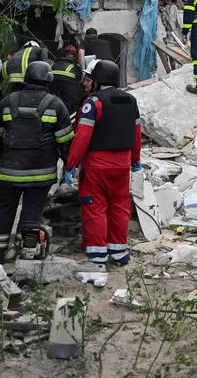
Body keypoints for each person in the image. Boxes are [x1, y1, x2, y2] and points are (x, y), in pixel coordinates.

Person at [0, 60, 73, 262]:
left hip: (9, 173)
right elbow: (66, 141)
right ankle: (28, 254)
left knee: (2, 212)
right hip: (41, 174)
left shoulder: (8, 101)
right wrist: (69, 166)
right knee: (32, 215)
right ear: (49, 80)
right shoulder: (55, 104)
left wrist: (1, 153)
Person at [65, 60, 141, 266]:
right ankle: (119, 253)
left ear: (97, 80)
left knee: (95, 207)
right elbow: (136, 134)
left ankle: (98, 255)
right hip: (123, 166)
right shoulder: (131, 101)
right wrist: (136, 160)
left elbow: (82, 137)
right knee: (120, 207)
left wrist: (70, 164)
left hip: (97, 166)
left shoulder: (94, 102)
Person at [49, 44, 86, 112]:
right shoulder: (75, 66)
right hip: (69, 87)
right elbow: (81, 80)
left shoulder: (53, 64)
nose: (70, 56)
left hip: (53, 86)